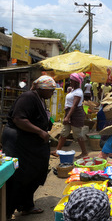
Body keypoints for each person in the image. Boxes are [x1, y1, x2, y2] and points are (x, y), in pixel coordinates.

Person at [2, 75, 56, 219]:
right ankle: (6, 211)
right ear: (42, 89)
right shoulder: (28, 97)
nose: (53, 93)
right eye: (51, 90)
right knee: (20, 174)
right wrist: (39, 131)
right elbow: (19, 119)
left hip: (31, 141)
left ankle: (27, 205)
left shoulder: (40, 99)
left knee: (36, 171)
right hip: (18, 141)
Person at [51, 73, 88, 158]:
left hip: (75, 114)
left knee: (77, 134)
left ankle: (84, 152)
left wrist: (67, 117)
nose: (70, 81)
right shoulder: (73, 90)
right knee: (64, 132)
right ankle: (57, 150)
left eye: (72, 80)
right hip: (69, 113)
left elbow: (74, 106)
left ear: (76, 82)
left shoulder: (78, 92)